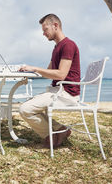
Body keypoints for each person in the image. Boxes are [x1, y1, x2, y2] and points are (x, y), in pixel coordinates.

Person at [19, 13, 80, 148]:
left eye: (45, 29)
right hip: (58, 91)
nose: (43, 33)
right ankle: (60, 130)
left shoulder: (68, 45)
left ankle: (52, 134)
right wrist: (30, 70)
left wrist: (35, 68)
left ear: (55, 26)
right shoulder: (57, 47)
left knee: (25, 109)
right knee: (30, 105)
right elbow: (48, 72)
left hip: (66, 94)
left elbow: (60, 75)